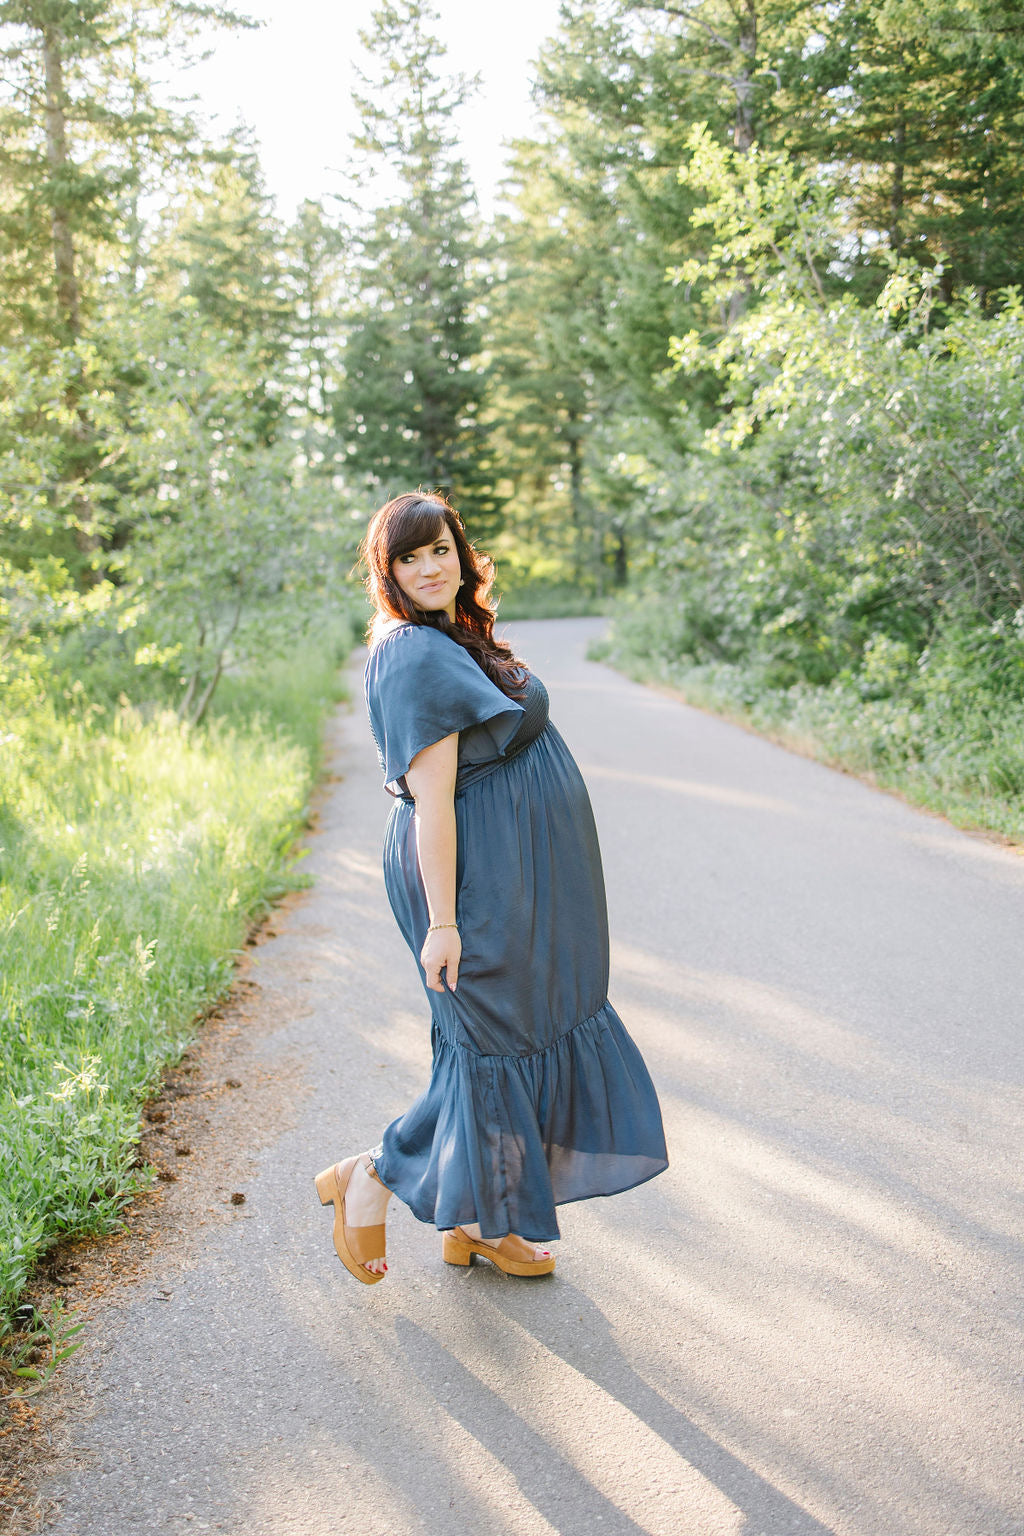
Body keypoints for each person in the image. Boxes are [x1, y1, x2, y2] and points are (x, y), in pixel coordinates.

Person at [315, 492, 668, 1283]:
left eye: (438, 548)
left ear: (459, 550)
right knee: (494, 1049)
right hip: (471, 886)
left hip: (516, 878)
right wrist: (445, 923)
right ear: (388, 573)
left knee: (502, 1044)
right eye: (408, 558)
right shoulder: (411, 654)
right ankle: (369, 1176)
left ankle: (479, 1221)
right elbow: (430, 803)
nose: (429, 567)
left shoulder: (451, 635)